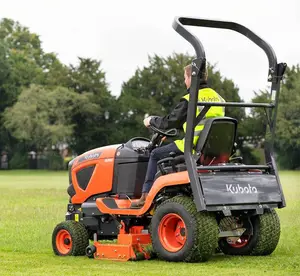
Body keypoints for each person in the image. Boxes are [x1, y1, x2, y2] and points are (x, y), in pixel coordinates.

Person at [130, 64, 225, 208]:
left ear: (191, 78)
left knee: (155, 154)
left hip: (192, 146)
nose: (184, 82)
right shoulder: (218, 98)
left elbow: (169, 121)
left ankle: (145, 196)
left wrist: (151, 121)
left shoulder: (190, 98)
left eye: (185, 78)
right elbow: (201, 121)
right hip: (211, 147)